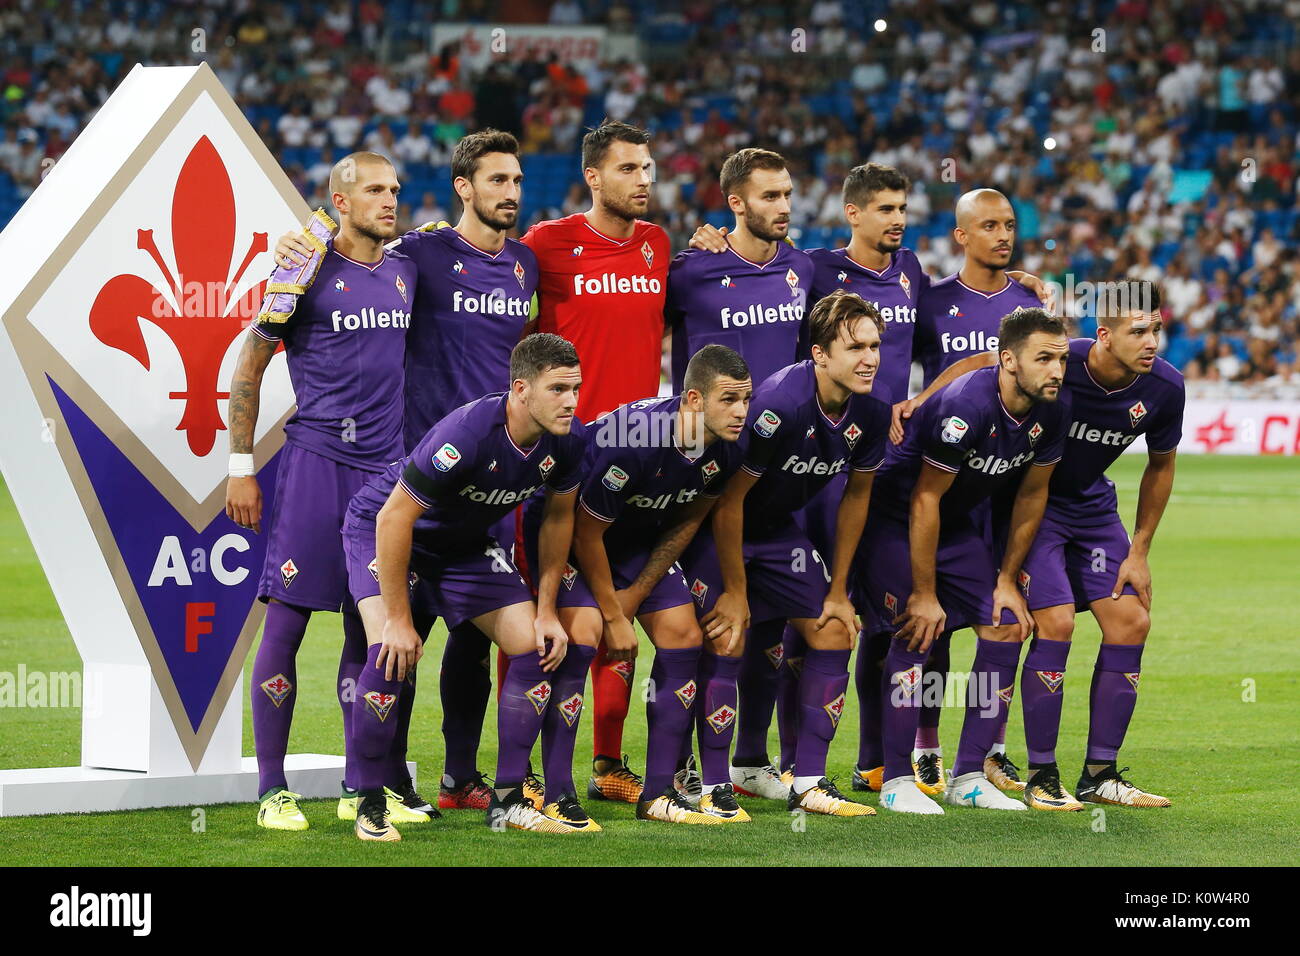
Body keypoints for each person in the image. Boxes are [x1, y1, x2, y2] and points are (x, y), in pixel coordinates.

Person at [273, 130, 539, 813]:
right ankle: (377, 780)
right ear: (463, 187)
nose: (510, 192)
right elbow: (342, 259)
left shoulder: (526, 267)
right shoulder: (418, 253)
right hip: (414, 477)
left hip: (492, 480)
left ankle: (459, 777)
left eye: (517, 181)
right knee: (398, 629)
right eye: (497, 180)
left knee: (475, 637)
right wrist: (298, 246)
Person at [914, 281, 1182, 809]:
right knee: (1054, 624)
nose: (1152, 342)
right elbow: (980, 364)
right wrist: (920, 400)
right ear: (1104, 335)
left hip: (1091, 508)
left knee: (1132, 621)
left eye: (1157, 330)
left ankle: (1100, 773)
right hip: (1031, 507)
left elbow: (1161, 465)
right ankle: (1041, 773)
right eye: (1139, 331)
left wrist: (1140, 551)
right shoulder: (1066, 361)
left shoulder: (1166, 388)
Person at [226, 151, 426, 832]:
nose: (389, 200)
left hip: (387, 477)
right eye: (374, 190)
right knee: (284, 622)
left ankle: (358, 784)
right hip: (317, 466)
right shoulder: (301, 271)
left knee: (366, 630)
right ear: (340, 201)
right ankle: (270, 790)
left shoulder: (407, 269)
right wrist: (239, 464)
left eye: (394, 189)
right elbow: (249, 360)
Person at [340, 334, 588, 838]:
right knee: (390, 650)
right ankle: (367, 803)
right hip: (385, 527)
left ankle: (509, 800)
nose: (571, 401)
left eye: (576, 388)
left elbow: (559, 521)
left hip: (462, 544)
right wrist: (399, 618)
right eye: (558, 388)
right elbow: (394, 518)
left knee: (532, 645)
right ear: (521, 390)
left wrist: (545, 610)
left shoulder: (568, 439)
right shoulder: (468, 433)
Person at [681, 291, 890, 815]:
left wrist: (839, 590)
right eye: (855, 347)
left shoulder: (872, 410)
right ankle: (708, 783)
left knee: (835, 628)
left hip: (776, 532)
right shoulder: (777, 406)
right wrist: (735, 590)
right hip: (718, 527)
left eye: (875, 346)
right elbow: (727, 502)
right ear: (820, 354)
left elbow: (856, 498)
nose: (870, 358)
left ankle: (809, 783)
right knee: (728, 637)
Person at [862, 307, 1069, 814]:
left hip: (955, 525)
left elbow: (1031, 496)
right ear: (1009, 361)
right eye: (1044, 359)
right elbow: (923, 499)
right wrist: (926, 592)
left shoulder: (1054, 407)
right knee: (918, 628)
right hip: (892, 518)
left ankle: (970, 776)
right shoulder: (964, 407)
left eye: (1061, 359)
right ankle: (895, 779)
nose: (1057, 371)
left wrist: (1005, 579)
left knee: (1005, 625)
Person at [521, 120, 672, 800]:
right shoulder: (546, 246)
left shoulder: (659, 247)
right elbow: (511, 323)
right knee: (545, 612)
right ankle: (519, 770)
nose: (644, 180)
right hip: (561, 457)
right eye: (630, 169)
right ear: (594, 177)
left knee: (620, 617)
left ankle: (608, 765)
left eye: (648, 168)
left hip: (637, 459)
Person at [885, 187, 1048, 797]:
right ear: (962, 236)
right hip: (942, 472)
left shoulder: (1031, 304)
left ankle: (989, 754)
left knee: (1004, 618)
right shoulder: (930, 300)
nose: (1003, 236)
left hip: (999, 495)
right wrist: (915, 405)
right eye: (989, 226)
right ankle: (924, 748)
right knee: (936, 628)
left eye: (1009, 224)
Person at [563, 345, 752, 823]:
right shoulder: (633, 439)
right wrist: (612, 612)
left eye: (746, 399)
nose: (741, 412)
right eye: (729, 399)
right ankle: (547, 788)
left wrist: (635, 595)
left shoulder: (729, 446)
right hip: (570, 539)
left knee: (684, 636)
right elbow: (585, 532)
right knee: (581, 638)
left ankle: (658, 793)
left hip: (636, 544)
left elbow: (688, 520)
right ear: (692, 399)